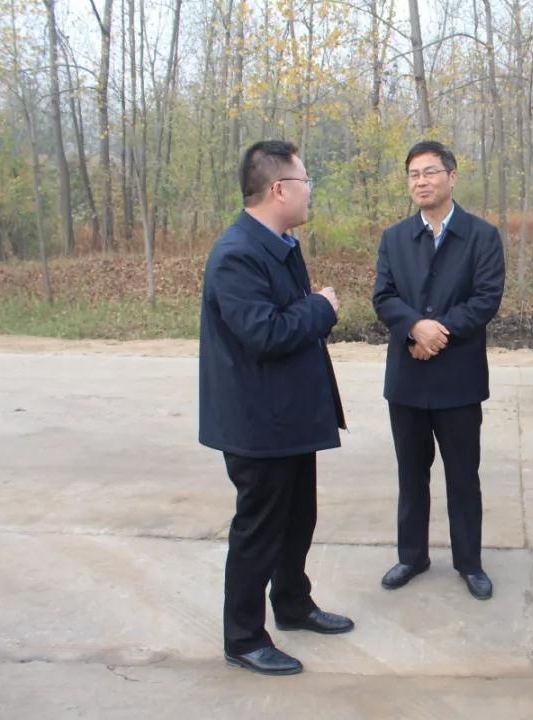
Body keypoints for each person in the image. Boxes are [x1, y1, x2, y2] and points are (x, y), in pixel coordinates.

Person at [200, 140, 352, 677]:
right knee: (259, 530)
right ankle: (243, 637)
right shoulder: (237, 253)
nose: (311, 192)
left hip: (290, 418)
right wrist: (321, 307)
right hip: (258, 423)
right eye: (306, 182)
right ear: (279, 189)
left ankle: (292, 603)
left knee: (297, 518)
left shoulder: (280, 243)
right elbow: (264, 332)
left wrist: (310, 308)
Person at [372, 140, 505, 600]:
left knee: (463, 477)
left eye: (430, 172)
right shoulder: (394, 238)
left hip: (458, 378)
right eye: (414, 174)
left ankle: (469, 562)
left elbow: (486, 299)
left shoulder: (481, 236)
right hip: (407, 377)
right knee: (411, 474)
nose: (421, 182)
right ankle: (412, 556)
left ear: (452, 176)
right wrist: (415, 328)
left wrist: (438, 332)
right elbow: (383, 296)